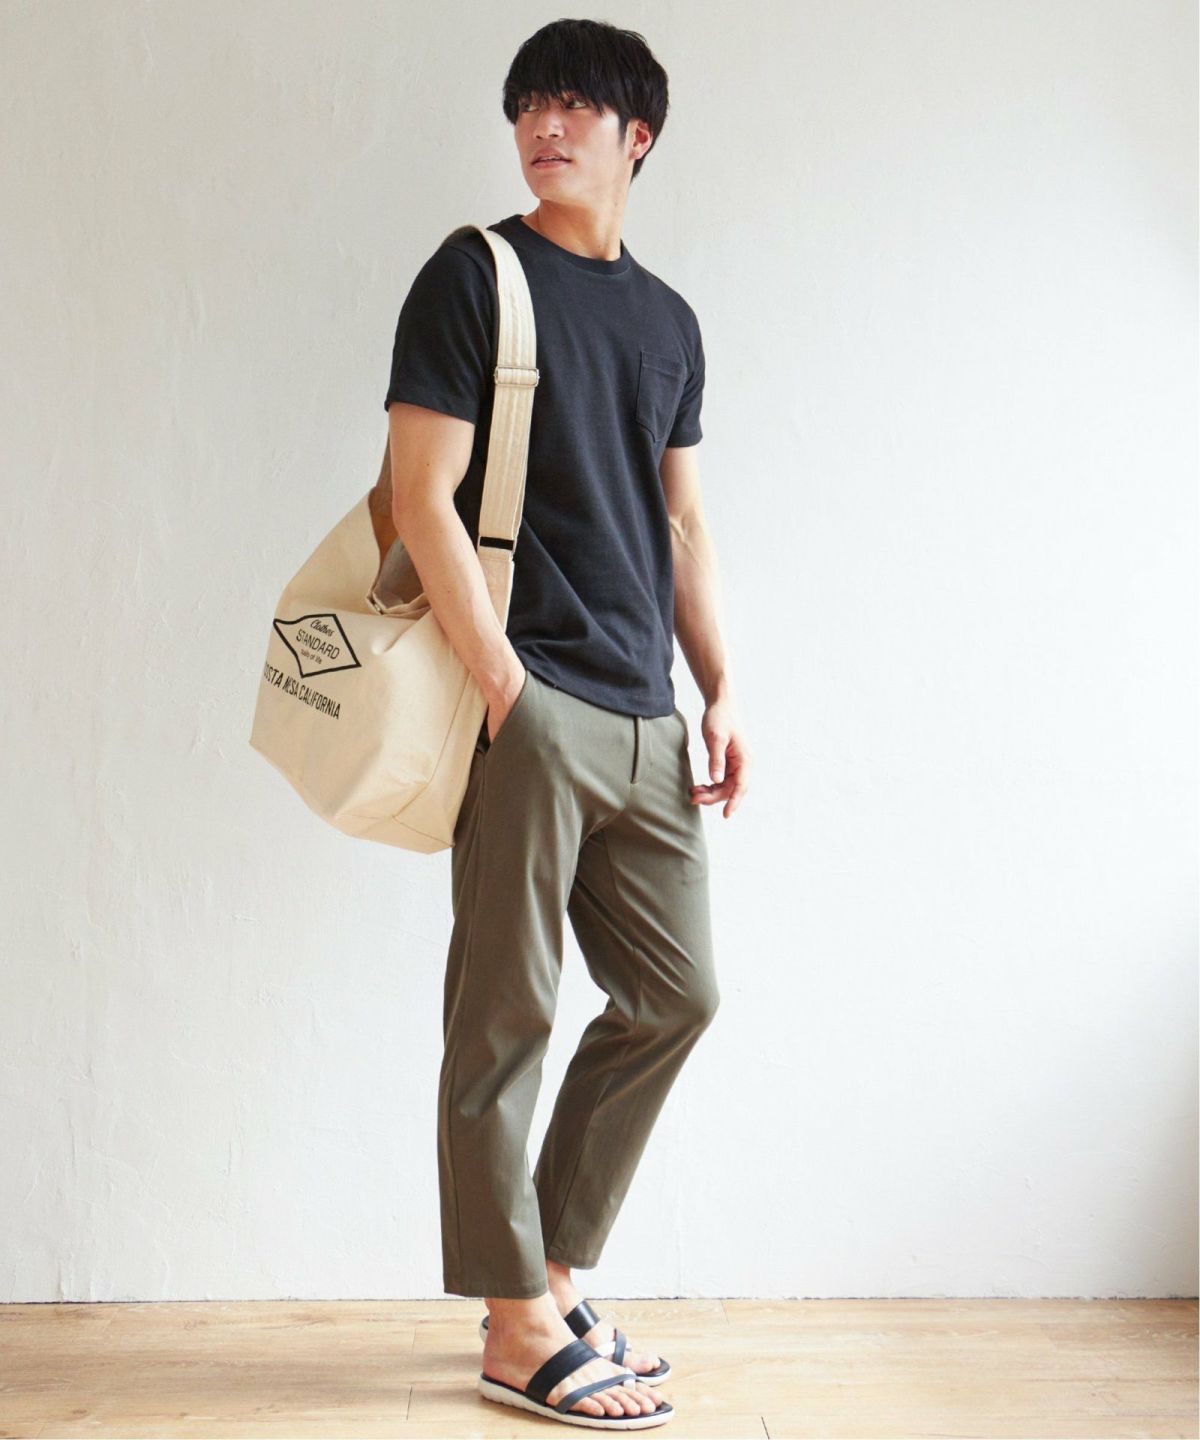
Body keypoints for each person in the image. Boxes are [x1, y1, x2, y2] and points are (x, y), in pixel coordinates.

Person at [383, 18, 750, 1429]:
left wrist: (720, 687)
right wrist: (502, 686)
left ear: (634, 135)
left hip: (649, 715)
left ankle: (547, 1271)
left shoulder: (669, 322)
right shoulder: (475, 276)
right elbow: (423, 494)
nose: (546, 125)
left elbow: (684, 524)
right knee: (506, 1012)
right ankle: (511, 1322)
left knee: (677, 992)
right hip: (532, 699)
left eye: (577, 105)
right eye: (530, 103)